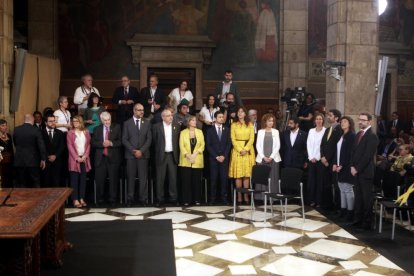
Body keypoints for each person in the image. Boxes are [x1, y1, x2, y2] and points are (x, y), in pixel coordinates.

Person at [350, 112, 379, 230]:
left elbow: (367, 156)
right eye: (359, 119)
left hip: (365, 172)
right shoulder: (358, 134)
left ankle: (366, 223)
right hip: (356, 171)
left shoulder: (372, 136)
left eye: (363, 120)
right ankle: (358, 220)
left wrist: (357, 168)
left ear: (369, 122)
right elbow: (353, 152)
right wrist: (352, 166)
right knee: (358, 197)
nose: (360, 121)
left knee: (366, 199)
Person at [122, 103, 152, 206]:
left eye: (142, 110)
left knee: (143, 178)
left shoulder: (147, 122)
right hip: (131, 155)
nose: (142, 112)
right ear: (134, 111)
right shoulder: (127, 123)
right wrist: (134, 151)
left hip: (143, 155)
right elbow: (124, 139)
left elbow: (149, 139)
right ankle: (130, 199)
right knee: (130, 177)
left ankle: (143, 199)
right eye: (139, 110)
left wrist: (141, 151)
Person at [92, 112, 122, 206]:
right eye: (105, 120)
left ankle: (112, 200)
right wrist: (102, 144)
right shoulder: (96, 129)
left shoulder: (117, 127)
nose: (107, 122)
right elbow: (93, 143)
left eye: (109, 119)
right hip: (101, 159)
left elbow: (121, 141)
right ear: (101, 120)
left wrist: (111, 143)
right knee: (100, 180)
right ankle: (100, 199)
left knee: (113, 180)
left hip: (113, 158)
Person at [152, 109, 180, 205]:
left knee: (173, 178)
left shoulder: (176, 126)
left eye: (171, 115)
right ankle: (160, 199)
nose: (171, 117)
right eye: (168, 116)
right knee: (160, 179)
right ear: (163, 117)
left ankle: (173, 199)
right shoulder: (156, 127)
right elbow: (154, 142)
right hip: (161, 155)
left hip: (172, 155)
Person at [229, 106, 255, 204]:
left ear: (245, 114)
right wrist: (240, 150)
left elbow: (252, 138)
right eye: (238, 112)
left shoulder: (250, 124)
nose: (240, 113)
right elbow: (233, 139)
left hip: (248, 151)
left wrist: (246, 149)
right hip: (237, 151)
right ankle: (239, 196)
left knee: (246, 175)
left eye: (242, 112)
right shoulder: (234, 124)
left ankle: (246, 195)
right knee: (238, 175)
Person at [333, 116, 356, 221]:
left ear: (350, 123)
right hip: (339, 166)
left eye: (345, 121)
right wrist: (335, 163)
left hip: (346, 166)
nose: (342, 123)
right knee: (342, 189)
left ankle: (350, 212)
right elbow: (337, 151)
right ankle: (343, 210)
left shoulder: (352, 136)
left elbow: (350, 153)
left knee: (348, 189)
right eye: (341, 122)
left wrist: (342, 165)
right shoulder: (341, 135)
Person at [13, 114, 46, 188]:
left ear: (24, 120)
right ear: (33, 120)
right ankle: (36, 199)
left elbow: (15, 143)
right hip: (33, 161)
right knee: (35, 182)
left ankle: (22, 199)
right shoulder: (36, 130)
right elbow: (41, 145)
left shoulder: (16, 129)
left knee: (21, 183)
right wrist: (43, 159)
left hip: (19, 160)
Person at [206, 111, 232, 204]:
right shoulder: (210, 130)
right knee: (213, 179)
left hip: (224, 159)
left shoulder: (227, 129)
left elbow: (229, 144)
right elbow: (208, 145)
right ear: (215, 118)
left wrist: (224, 155)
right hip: (214, 159)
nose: (222, 118)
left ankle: (224, 199)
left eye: (223, 117)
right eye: (220, 117)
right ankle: (212, 199)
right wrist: (216, 156)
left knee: (224, 179)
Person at [179, 116, 205, 205]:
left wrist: (194, 154)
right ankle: (186, 200)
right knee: (186, 181)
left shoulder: (200, 132)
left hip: (197, 159)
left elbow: (202, 145)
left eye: (195, 120)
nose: (195, 122)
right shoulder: (183, 133)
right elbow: (181, 146)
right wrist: (188, 156)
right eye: (193, 120)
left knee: (197, 181)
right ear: (188, 122)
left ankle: (197, 199)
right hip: (186, 160)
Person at [320, 109, 343, 209]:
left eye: (330, 115)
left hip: (333, 162)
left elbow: (336, 147)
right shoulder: (327, 129)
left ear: (336, 118)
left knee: (336, 186)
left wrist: (327, 159)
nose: (328, 117)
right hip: (325, 162)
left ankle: (337, 206)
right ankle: (327, 205)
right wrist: (322, 157)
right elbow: (322, 145)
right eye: (328, 115)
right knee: (326, 184)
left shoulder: (340, 129)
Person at [67, 115, 91, 208]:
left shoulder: (86, 132)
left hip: (84, 159)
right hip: (74, 159)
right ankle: (75, 199)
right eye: (73, 121)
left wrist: (85, 156)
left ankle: (81, 198)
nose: (75, 123)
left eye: (77, 121)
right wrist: (77, 158)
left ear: (81, 122)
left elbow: (88, 145)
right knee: (74, 180)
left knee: (83, 180)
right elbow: (70, 147)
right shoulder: (70, 133)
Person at [255, 113, 281, 199]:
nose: (271, 123)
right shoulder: (260, 132)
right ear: (265, 122)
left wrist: (271, 157)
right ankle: (261, 197)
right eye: (269, 121)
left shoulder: (276, 131)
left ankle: (272, 197)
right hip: (262, 158)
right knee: (263, 177)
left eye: (272, 121)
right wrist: (263, 157)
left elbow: (278, 145)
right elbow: (258, 145)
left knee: (273, 178)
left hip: (273, 159)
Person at [306, 114, 326, 207]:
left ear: (323, 120)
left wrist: (317, 157)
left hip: (320, 160)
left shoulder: (325, 131)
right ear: (314, 121)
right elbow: (309, 144)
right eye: (317, 119)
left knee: (320, 181)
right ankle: (311, 200)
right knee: (311, 181)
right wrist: (311, 157)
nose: (318, 120)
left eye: (320, 119)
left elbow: (323, 147)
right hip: (311, 160)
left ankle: (319, 201)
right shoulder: (311, 131)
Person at [42, 115, 65, 187]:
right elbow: (40, 146)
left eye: (54, 121)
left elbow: (62, 146)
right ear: (45, 123)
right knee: (45, 183)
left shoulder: (60, 133)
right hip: (45, 162)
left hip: (57, 162)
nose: (53, 123)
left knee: (56, 183)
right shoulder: (40, 133)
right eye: (50, 121)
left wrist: (55, 156)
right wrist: (47, 156)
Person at [0, 119, 14, 188]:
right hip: (1, 162)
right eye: (3, 126)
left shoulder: (9, 135)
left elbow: (11, 148)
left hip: (9, 161)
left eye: (6, 125)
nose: (5, 127)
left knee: (10, 179)